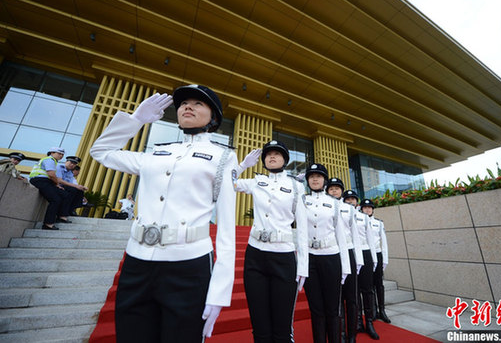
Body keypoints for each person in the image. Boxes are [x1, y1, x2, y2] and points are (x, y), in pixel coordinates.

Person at [90, 85, 237, 342]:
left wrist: (219, 292)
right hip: (137, 262)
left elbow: (226, 228)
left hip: (189, 265)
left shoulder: (223, 157)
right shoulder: (156, 153)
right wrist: (136, 120)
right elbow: (100, 153)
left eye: (198, 103)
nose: (187, 106)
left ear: (213, 118)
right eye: (182, 104)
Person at [234, 140, 308, 342]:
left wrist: (303, 266)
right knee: (259, 324)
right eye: (268, 154)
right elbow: (225, 182)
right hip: (255, 255)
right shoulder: (256, 181)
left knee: (282, 326)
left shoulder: (296, 186)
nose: (272, 156)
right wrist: (242, 166)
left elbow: (302, 229)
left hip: (283, 256)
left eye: (277, 153)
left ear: (285, 159)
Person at [304, 163, 350, 343]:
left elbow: (341, 237)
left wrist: (345, 267)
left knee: (332, 308)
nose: (315, 179)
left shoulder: (334, 204)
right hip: (309, 259)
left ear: (324, 180)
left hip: (331, 257)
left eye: (319, 176)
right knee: (316, 309)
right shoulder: (301, 201)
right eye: (311, 176)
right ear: (307, 180)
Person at [325, 179, 363, 343]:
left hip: (348, 252)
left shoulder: (349, 209)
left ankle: (352, 335)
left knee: (352, 297)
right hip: (332, 253)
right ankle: (339, 334)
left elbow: (356, 236)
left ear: (342, 191)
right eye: (331, 188)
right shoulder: (323, 206)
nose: (334, 191)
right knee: (336, 297)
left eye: (337, 188)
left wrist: (359, 260)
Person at [343, 191, 379, 340]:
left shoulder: (363, 217)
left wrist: (374, 259)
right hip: (350, 254)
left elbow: (371, 239)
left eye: (353, 199)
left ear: (357, 202)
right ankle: (357, 322)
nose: (351, 201)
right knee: (353, 291)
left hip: (365, 254)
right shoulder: (341, 214)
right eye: (348, 199)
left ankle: (369, 322)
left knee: (367, 289)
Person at [362, 199, 391, 325]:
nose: (368, 210)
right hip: (367, 255)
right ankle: (373, 310)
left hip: (378, 255)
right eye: (365, 208)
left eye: (370, 208)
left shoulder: (378, 223)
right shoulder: (359, 222)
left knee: (379, 284)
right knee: (368, 284)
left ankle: (382, 310)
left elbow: (383, 242)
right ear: (361, 209)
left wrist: (384, 259)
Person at [29, 147, 72, 230]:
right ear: (52, 153)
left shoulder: (53, 161)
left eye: (62, 154)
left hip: (46, 181)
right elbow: (51, 174)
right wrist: (56, 184)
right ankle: (48, 224)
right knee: (55, 200)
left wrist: (55, 185)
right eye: (59, 153)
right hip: (39, 180)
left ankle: (61, 216)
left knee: (65, 194)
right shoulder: (49, 160)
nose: (61, 156)